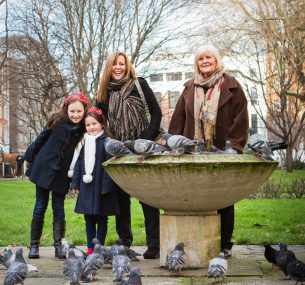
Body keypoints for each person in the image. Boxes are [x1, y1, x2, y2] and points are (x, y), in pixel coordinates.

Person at [168, 45, 249, 258]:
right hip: (193, 149)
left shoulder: (232, 85)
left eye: (209, 58)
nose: (205, 61)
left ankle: (224, 245)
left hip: (223, 149)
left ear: (217, 61)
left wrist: (235, 146)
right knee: (193, 196)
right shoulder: (188, 87)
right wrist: (174, 143)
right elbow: (178, 119)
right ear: (197, 63)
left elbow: (241, 119)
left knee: (223, 197)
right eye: (201, 58)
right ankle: (193, 243)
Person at [95, 51, 162, 259]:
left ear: (127, 66)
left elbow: (156, 112)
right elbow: (99, 123)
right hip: (119, 152)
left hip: (142, 149)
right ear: (109, 67)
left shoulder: (139, 84)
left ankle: (154, 244)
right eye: (114, 64)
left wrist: (144, 140)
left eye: (122, 64)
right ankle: (125, 241)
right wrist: (114, 144)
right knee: (121, 200)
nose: (118, 67)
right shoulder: (103, 94)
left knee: (148, 199)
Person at [23, 93, 88, 259]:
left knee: (58, 208)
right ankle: (34, 245)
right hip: (44, 168)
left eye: (79, 111)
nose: (75, 115)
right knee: (40, 205)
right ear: (66, 109)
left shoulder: (83, 128)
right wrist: (29, 156)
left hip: (62, 173)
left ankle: (59, 245)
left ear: (84, 111)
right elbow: (41, 138)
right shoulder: (56, 121)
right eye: (72, 111)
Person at [69, 107, 119, 254]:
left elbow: (110, 166)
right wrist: (75, 183)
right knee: (89, 218)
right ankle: (90, 248)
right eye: (88, 125)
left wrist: (106, 186)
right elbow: (79, 164)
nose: (91, 127)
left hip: (101, 188)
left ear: (101, 124)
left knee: (102, 218)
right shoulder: (85, 142)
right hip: (87, 186)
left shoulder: (107, 142)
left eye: (94, 124)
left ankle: (99, 247)